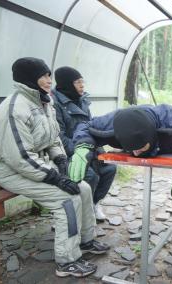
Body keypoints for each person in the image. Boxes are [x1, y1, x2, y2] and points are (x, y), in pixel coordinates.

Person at [0, 57, 110, 278]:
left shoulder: (43, 102)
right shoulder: (14, 109)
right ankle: (67, 261)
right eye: (44, 76)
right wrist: (56, 178)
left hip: (37, 164)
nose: (49, 80)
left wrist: (60, 162)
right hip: (11, 169)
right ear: (29, 78)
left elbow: (53, 137)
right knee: (67, 199)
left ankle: (86, 240)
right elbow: (20, 158)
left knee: (84, 188)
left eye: (49, 75)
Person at [68, 104, 172, 207]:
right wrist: (82, 146)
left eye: (140, 147)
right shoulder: (112, 123)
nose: (136, 153)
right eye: (131, 148)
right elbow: (85, 126)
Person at [52, 66, 116, 221]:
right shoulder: (55, 104)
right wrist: (86, 152)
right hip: (65, 154)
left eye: (82, 81)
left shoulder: (82, 101)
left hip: (84, 149)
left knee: (109, 169)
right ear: (66, 84)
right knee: (90, 175)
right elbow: (59, 138)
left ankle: (93, 204)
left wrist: (97, 150)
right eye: (77, 82)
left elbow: (91, 128)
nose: (82, 85)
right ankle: (76, 212)